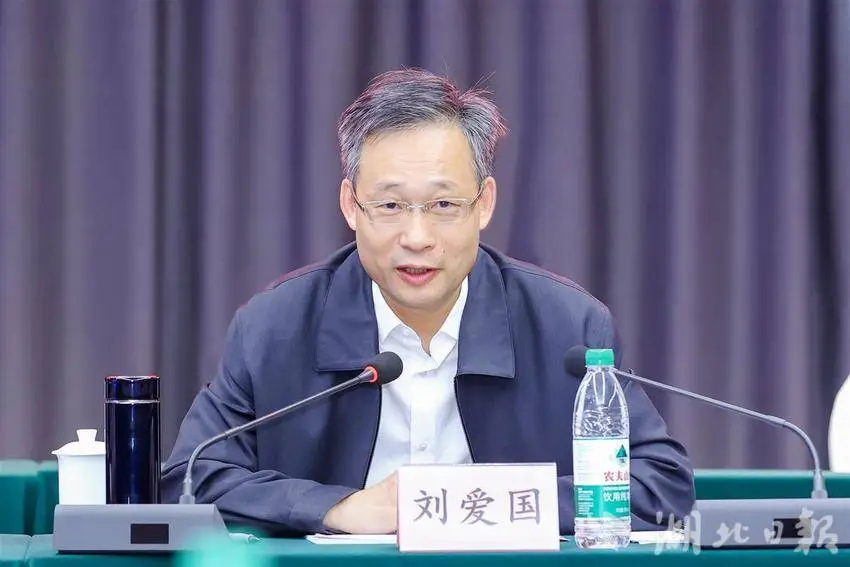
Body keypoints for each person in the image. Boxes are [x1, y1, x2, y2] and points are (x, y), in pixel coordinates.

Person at [161, 68, 695, 536]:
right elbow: (191, 478)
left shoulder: (567, 327)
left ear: (483, 204)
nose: (417, 238)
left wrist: (476, 506)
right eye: (390, 205)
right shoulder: (274, 327)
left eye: (443, 205)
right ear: (351, 205)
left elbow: (660, 485)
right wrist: (339, 508)